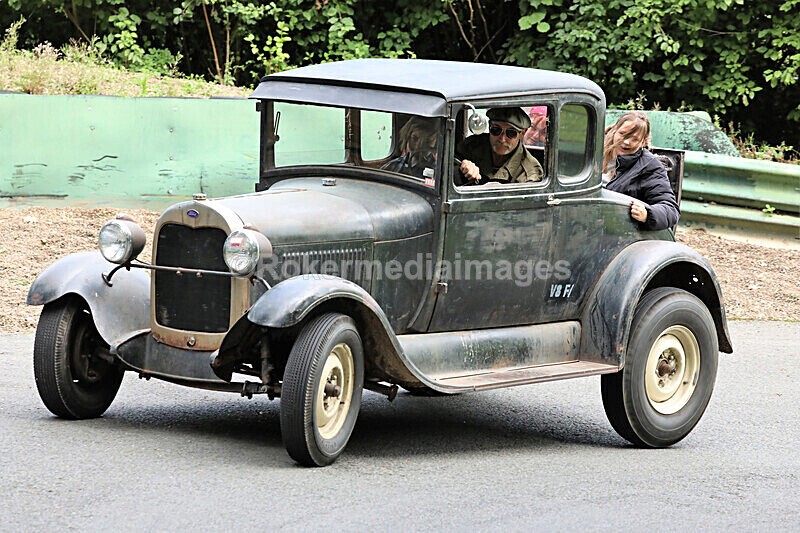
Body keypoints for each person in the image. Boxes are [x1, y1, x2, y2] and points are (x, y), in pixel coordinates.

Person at [602, 111, 679, 230]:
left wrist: (647, 214)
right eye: (622, 134)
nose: (626, 142)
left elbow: (671, 210)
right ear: (614, 130)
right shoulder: (593, 148)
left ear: (643, 142)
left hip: (618, 230)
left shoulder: (650, 167)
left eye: (634, 139)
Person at [456, 107, 543, 186]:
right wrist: (463, 166)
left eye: (511, 133)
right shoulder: (471, 146)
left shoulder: (530, 172)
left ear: (522, 133)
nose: (502, 139)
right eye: (496, 130)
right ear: (490, 126)